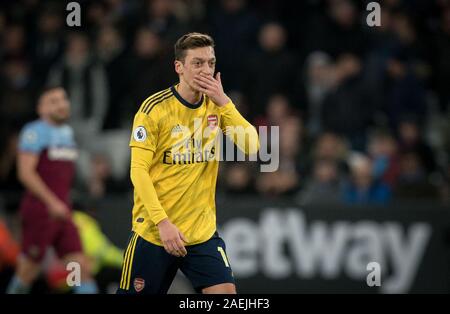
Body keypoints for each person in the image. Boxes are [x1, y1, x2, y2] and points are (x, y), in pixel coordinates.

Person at [117, 33, 259, 294]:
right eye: (197, 63)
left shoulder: (217, 106)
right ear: (178, 67)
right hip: (155, 231)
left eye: (211, 63)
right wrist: (163, 223)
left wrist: (225, 102)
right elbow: (138, 171)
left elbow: (252, 147)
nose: (206, 70)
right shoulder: (154, 109)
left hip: (201, 233)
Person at [6, 86, 98, 294]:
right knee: (28, 270)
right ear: (41, 108)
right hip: (41, 211)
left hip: (62, 212)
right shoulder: (34, 131)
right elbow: (25, 173)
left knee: (78, 265)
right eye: (53, 101)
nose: (61, 104)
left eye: (63, 99)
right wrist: (52, 202)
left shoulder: (67, 133)